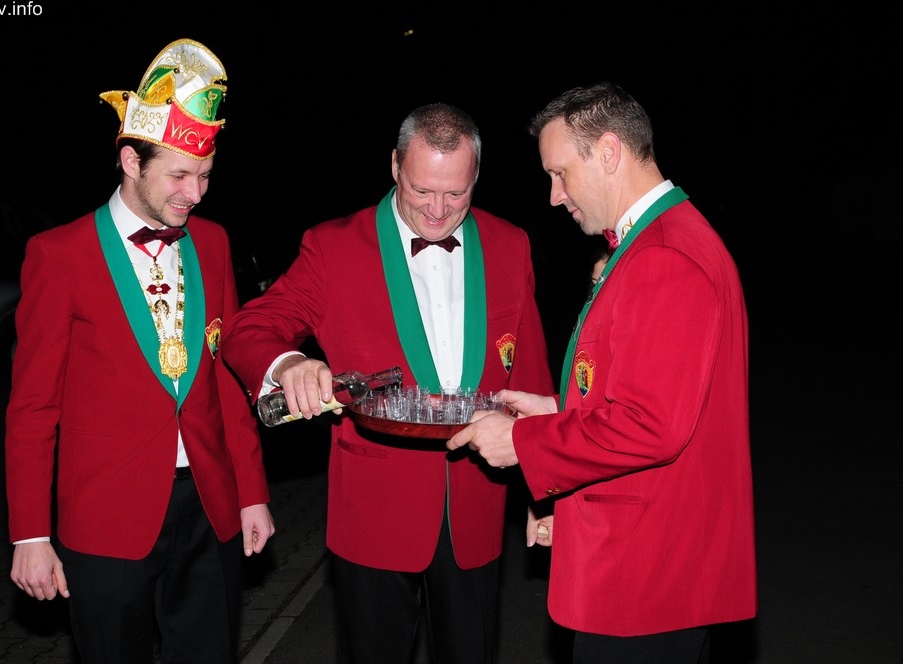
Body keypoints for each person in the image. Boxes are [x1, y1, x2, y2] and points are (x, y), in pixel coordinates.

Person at [222, 102, 553, 664]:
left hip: (475, 506)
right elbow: (248, 328)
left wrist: (545, 487)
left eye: (456, 193)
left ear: (476, 177)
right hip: (374, 514)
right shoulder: (332, 247)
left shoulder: (509, 242)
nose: (438, 211)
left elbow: (531, 374)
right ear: (395, 165)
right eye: (423, 190)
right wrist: (288, 364)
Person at [446, 81, 757, 663]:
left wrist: (523, 441)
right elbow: (651, 396)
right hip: (654, 569)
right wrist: (556, 411)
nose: (554, 196)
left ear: (609, 152)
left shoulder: (664, 255)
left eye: (560, 173)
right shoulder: (657, 241)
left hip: (646, 577)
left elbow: (651, 425)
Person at [5, 38, 274, 662]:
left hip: (209, 504)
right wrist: (30, 534)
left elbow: (225, 378)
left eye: (205, 176)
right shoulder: (58, 255)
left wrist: (251, 491)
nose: (195, 193)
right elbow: (33, 407)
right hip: (106, 513)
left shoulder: (213, 242)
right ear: (131, 160)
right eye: (179, 175)